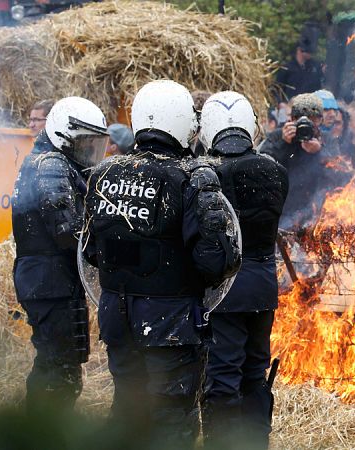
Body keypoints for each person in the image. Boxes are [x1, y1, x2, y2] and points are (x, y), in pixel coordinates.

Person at [82, 80, 241, 446]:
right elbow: (215, 260)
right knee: (173, 420)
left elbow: (91, 252)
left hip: (116, 315)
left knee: (128, 410)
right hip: (171, 323)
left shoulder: (103, 174)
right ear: (184, 120)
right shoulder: (192, 177)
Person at [199, 91, 288, 448]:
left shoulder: (205, 173)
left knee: (222, 376)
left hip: (224, 288)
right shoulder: (276, 170)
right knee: (255, 373)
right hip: (263, 285)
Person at [12, 96, 108, 411]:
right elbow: (70, 231)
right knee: (58, 370)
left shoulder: (50, 161)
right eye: (84, 143)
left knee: (62, 364)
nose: (89, 150)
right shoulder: (50, 166)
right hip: (49, 281)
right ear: (64, 134)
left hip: (50, 279)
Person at [258, 93, 327, 228]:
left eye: (313, 119)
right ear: (292, 119)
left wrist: (318, 154)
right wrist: (284, 144)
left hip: (315, 210)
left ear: (320, 121)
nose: (307, 124)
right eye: (301, 119)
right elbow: (263, 168)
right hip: (284, 210)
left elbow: (338, 175)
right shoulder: (278, 136)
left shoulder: (326, 139)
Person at [275, 36, 324, 101]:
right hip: (289, 105)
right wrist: (281, 103)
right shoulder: (286, 68)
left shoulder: (314, 68)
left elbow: (318, 87)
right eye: (308, 51)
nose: (310, 54)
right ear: (299, 50)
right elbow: (277, 89)